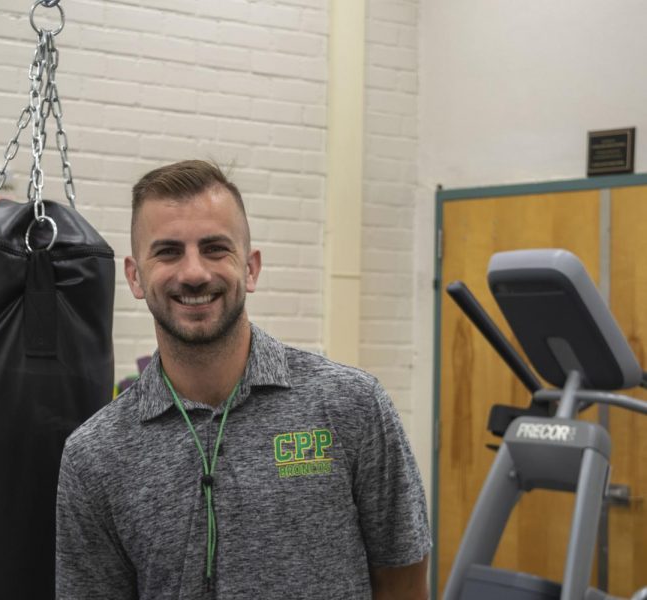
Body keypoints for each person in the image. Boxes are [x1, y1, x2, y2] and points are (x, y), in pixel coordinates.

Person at [55, 160, 431, 599]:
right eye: (168, 251)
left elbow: (404, 578)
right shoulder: (95, 456)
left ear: (250, 268)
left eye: (215, 248)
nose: (194, 272)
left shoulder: (352, 406)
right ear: (135, 277)